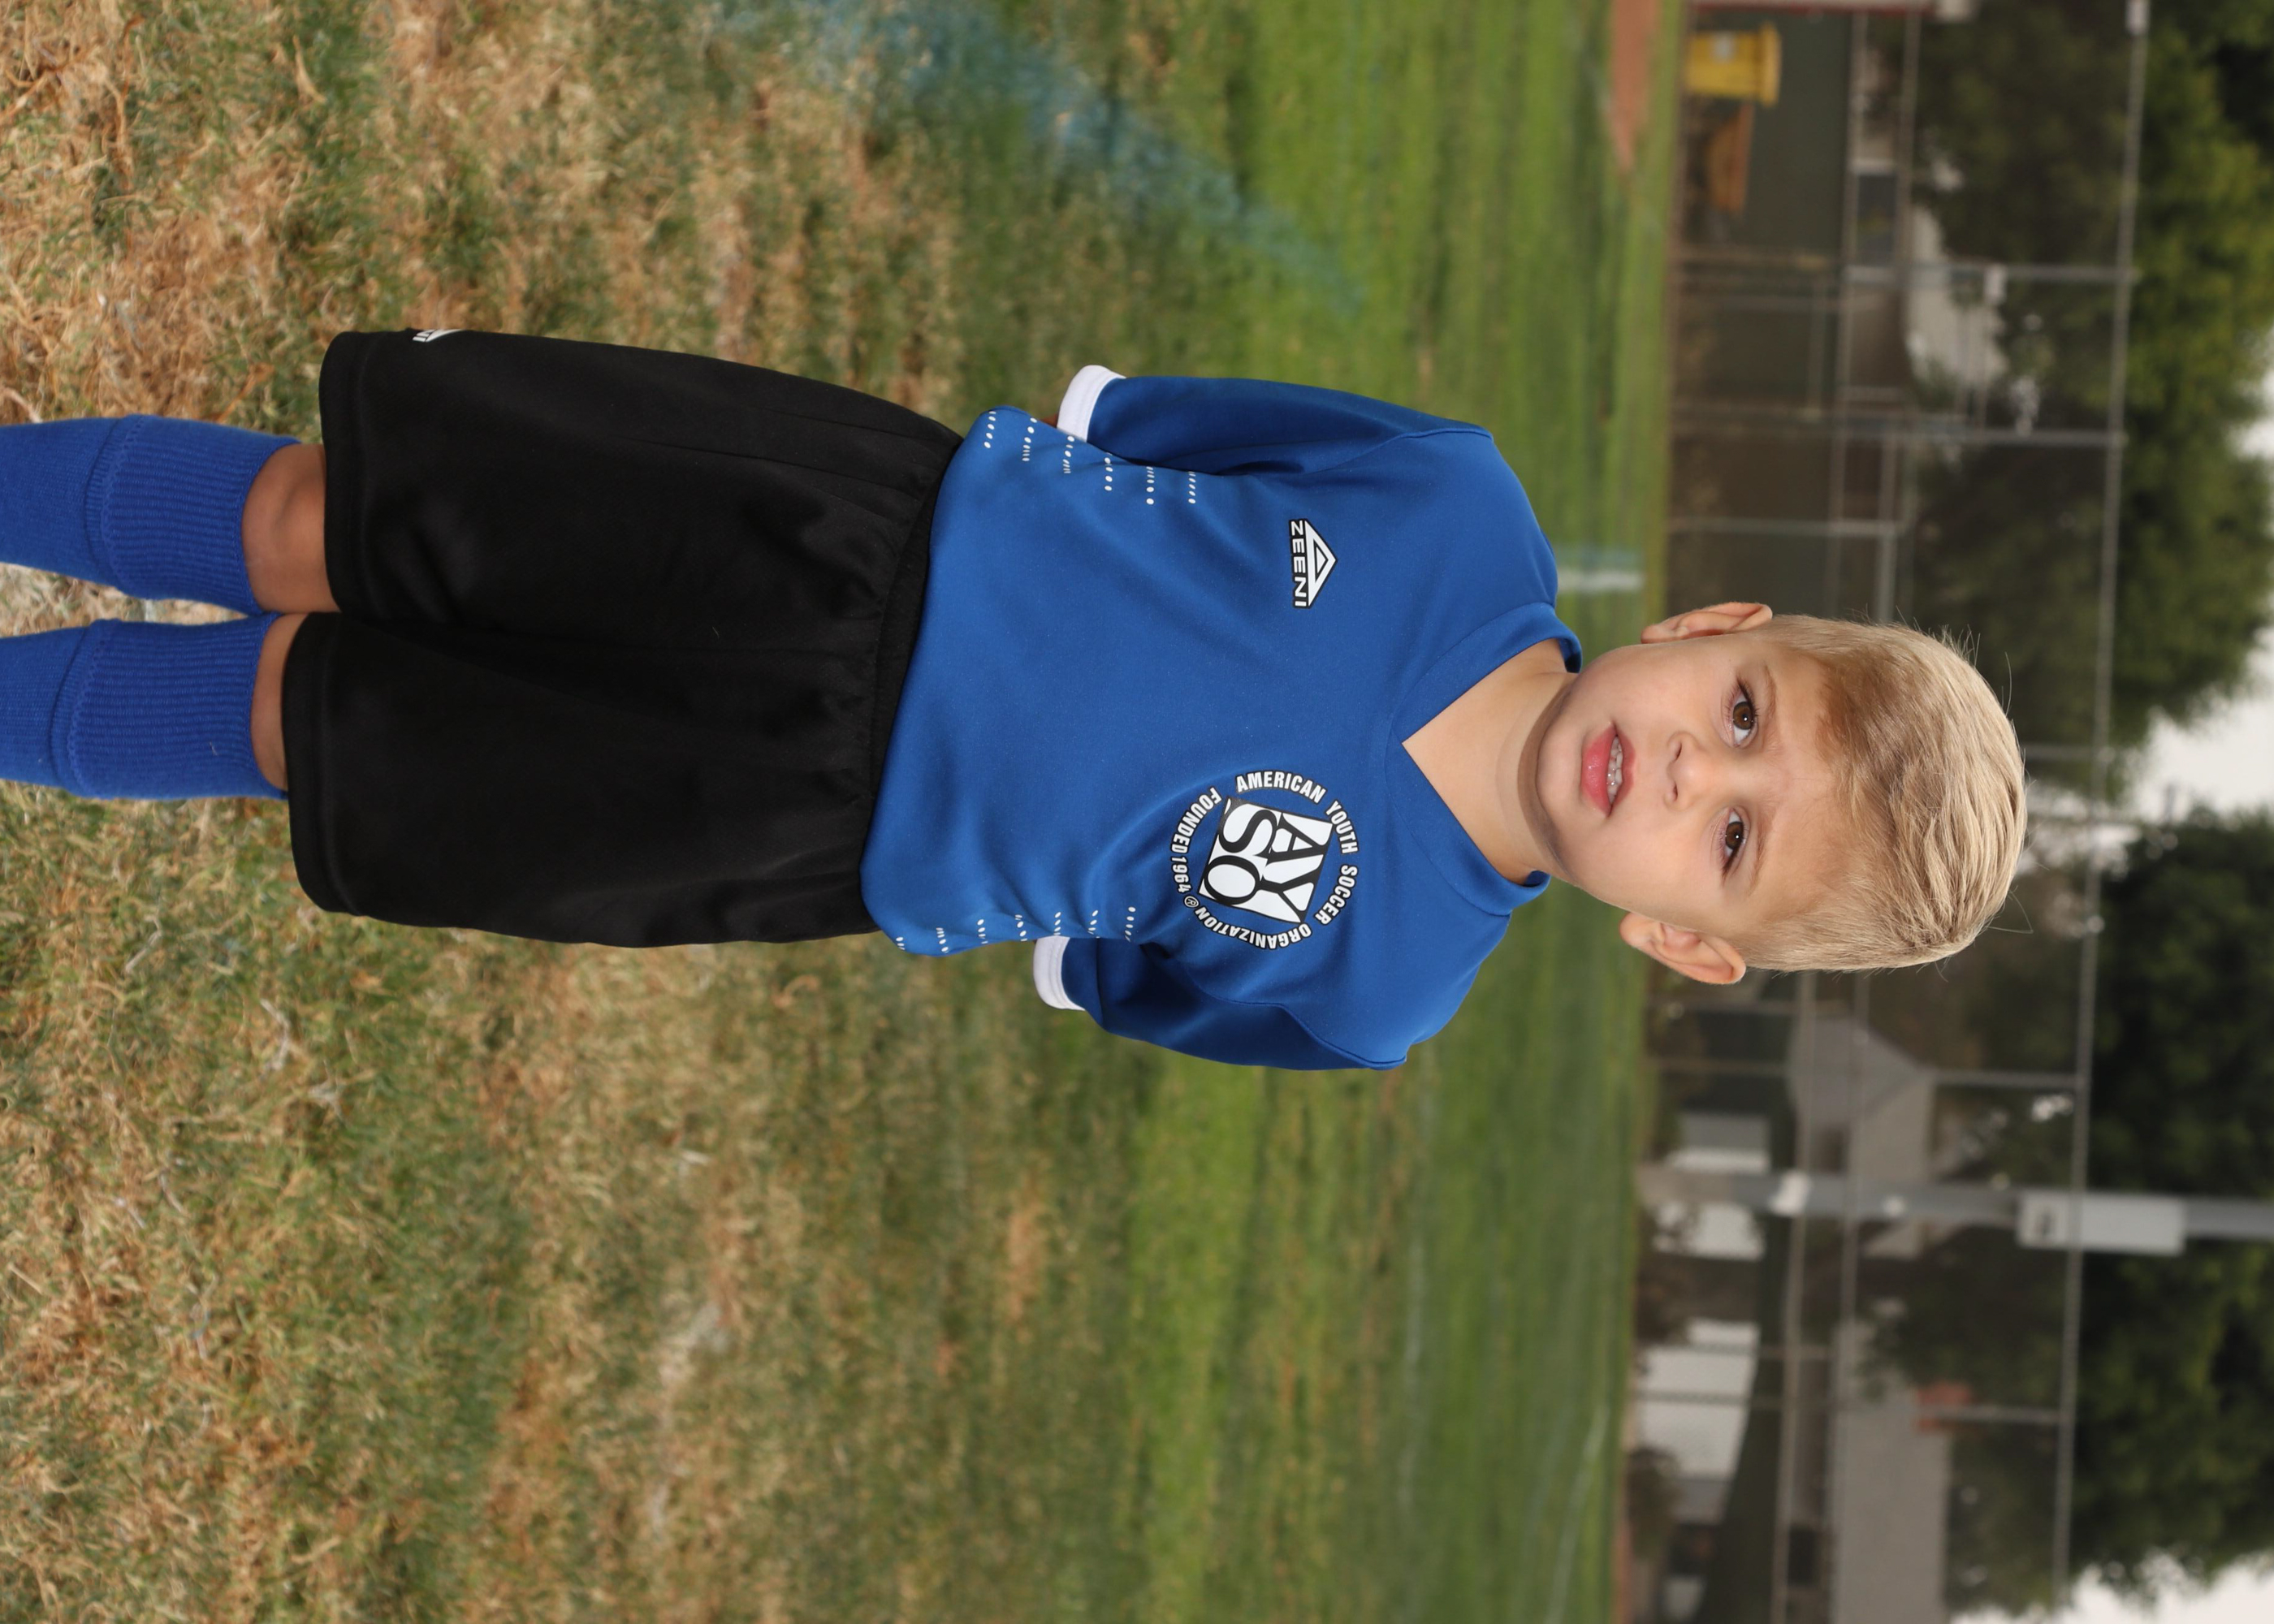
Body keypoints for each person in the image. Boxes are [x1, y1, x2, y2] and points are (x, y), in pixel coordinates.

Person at [0, 330, 2025, 1069]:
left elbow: (1113, 967)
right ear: (1720, 620)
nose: (1681, 772)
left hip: (795, 821)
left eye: (1728, 840)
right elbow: (1141, 430)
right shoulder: (1448, 500)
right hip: (828, 533)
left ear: (1685, 940)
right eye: (1741, 712)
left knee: (302, 727)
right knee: (322, 520)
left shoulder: (1379, 988)